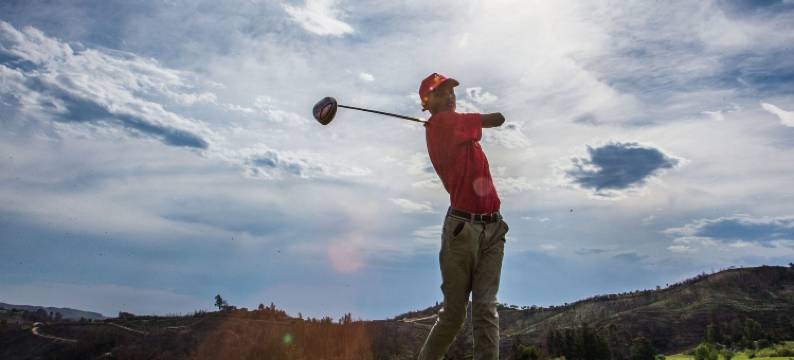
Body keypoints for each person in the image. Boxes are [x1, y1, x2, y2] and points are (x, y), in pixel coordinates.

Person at [417, 72, 509, 360]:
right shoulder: (442, 123)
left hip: (493, 228)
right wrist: (491, 116)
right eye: (441, 93)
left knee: (485, 309)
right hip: (462, 230)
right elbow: (497, 118)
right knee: (454, 316)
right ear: (427, 102)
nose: (449, 96)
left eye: (451, 91)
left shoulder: (456, 129)